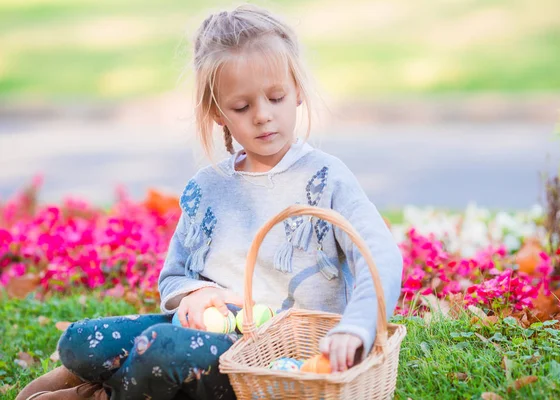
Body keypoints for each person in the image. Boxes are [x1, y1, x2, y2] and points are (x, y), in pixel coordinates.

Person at [17, 4, 403, 400]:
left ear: (298, 92)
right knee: (81, 340)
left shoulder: (325, 179)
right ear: (218, 113)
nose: (263, 116)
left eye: (276, 97)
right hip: (204, 332)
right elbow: (173, 276)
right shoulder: (208, 188)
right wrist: (195, 295)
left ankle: (100, 395)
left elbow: (381, 256)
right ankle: (99, 377)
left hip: (269, 357)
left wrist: (355, 327)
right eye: (242, 106)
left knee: (159, 349)